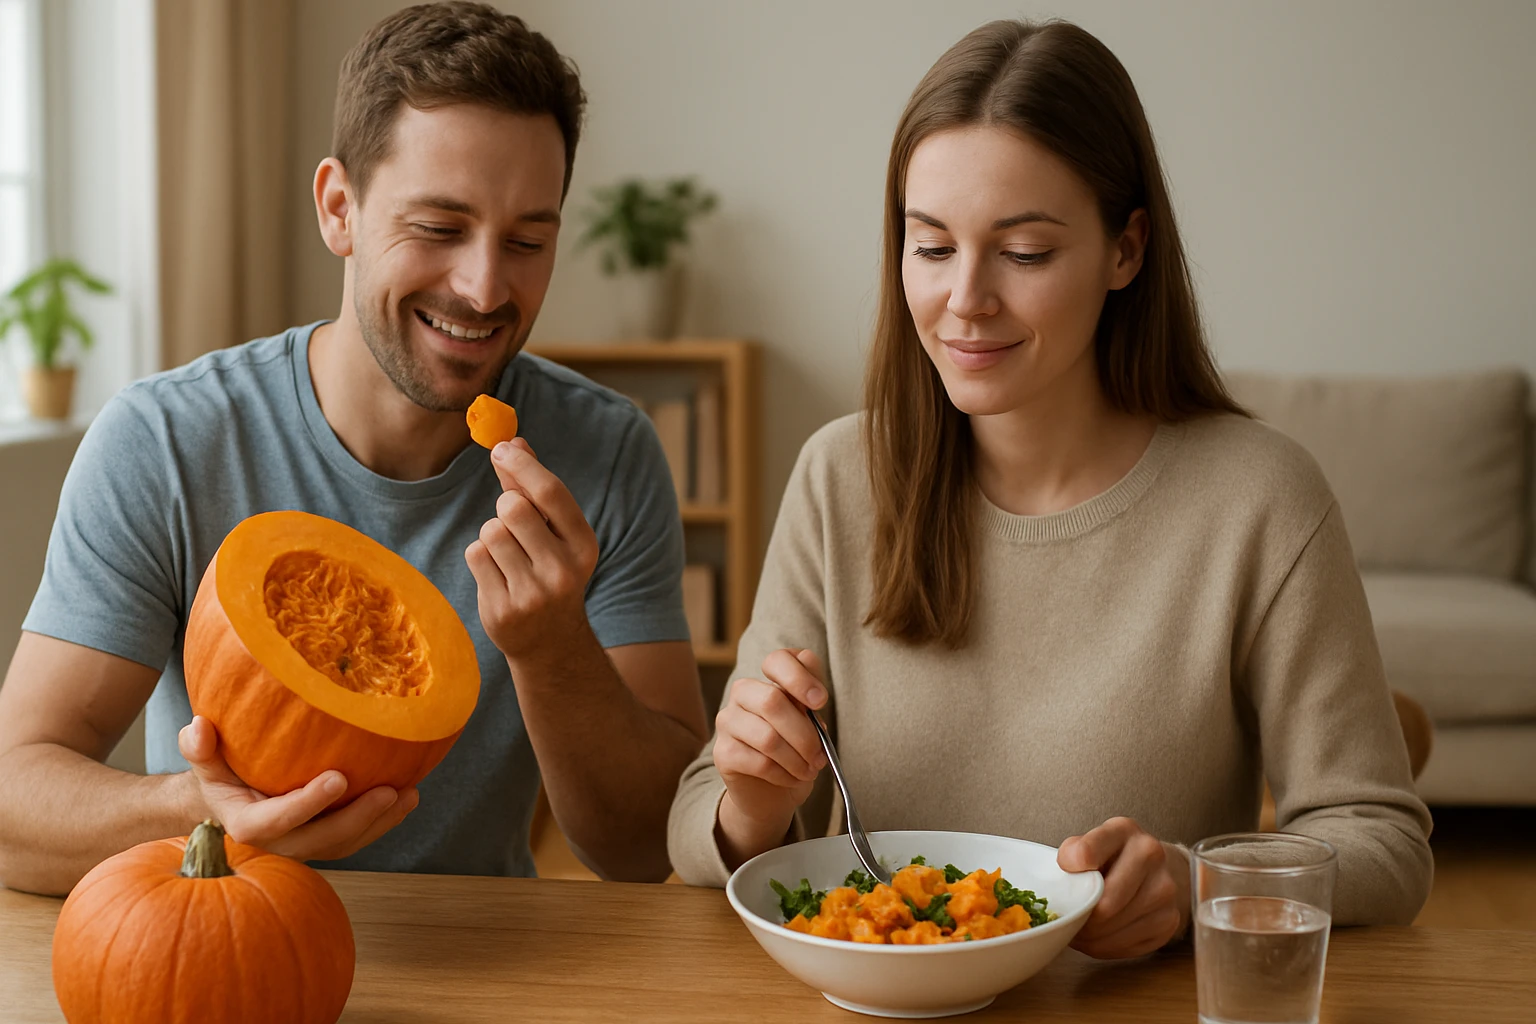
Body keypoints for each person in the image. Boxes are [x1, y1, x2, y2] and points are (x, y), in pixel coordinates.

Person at [667, 19, 1432, 958]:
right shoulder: (840, 477)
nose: (966, 299)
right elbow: (699, 820)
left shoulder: (1260, 497)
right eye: (932, 247)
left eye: (1024, 252)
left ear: (1126, 249)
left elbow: (1385, 846)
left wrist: (1191, 883)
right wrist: (754, 799)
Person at [0, 1, 708, 896]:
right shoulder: (167, 441)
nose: (485, 286)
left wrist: (553, 647)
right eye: (439, 229)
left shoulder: (605, 451)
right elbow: (11, 808)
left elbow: (651, 848)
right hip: (225, 937)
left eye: (527, 240)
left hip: (487, 957)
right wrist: (201, 808)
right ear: (340, 208)